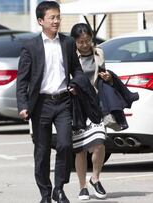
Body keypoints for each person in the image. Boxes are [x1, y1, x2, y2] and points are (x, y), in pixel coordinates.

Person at [16, 1, 84, 203]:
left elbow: (77, 70)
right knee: (42, 151)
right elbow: (23, 79)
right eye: (52, 17)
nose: (56, 21)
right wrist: (23, 105)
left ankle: (59, 189)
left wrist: (75, 84)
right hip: (41, 105)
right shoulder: (31, 46)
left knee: (65, 145)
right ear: (40, 21)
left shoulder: (68, 42)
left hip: (63, 102)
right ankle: (45, 193)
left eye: (58, 17)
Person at [70, 23, 110, 200]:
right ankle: (82, 186)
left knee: (100, 142)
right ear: (75, 42)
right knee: (80, 149)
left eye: (87, 41)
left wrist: (106, 76)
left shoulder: (99, 53)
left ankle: (95, 178)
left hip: (94, 104)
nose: (85, 45)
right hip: (77, 105)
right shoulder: (69, 55)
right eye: (80, 42)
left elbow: (101, 73)